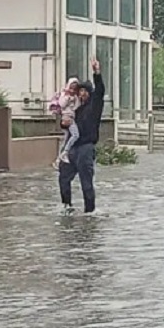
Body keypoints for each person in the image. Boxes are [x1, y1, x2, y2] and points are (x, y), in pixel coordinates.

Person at [58, 59, 104, 214]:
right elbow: (68, 126)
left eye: (85, 91)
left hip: (86, 148)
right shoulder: (76, 108)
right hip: (72, 148)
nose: (82, 93)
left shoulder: (94, 106)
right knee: (63, 177)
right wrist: (63, 123)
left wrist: (97, 73)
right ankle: (67, 207)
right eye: (80, 91)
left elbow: (100, 92)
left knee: (86, 182)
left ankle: (89, 212)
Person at [51, 78, 81, 169]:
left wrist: (75, 98)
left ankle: (58, 160)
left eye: (74, 89)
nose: (72, 90)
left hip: (71, 117)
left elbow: (77, 106)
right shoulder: (64, 95)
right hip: (66, 117)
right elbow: (62, 104)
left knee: (66, 138)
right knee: (75, 135)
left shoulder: (75, 97)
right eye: (71, 88)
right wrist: (68, 98)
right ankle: (65, 152)